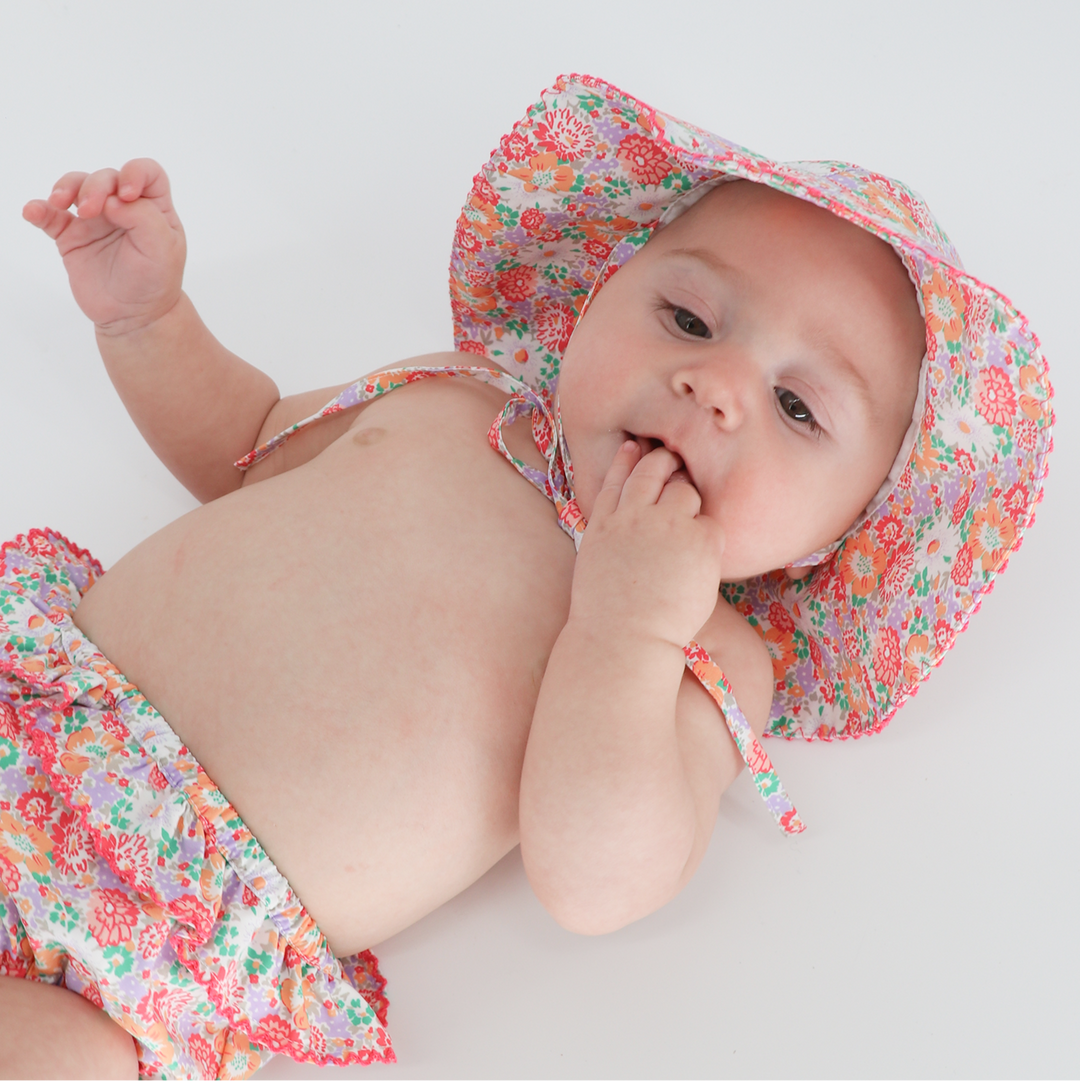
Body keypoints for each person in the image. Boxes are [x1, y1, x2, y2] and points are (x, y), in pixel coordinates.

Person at [0, 74, 1053, 1080]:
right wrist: (148, 323)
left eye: (797, 408)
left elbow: (599, 880)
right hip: (31, 707)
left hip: (135, 936)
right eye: (689, 318)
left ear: (841, 538)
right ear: (598, 293)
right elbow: (241, 443)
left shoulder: (704, 650)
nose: (716, 384)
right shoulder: (463, 401)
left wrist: (626, 632)